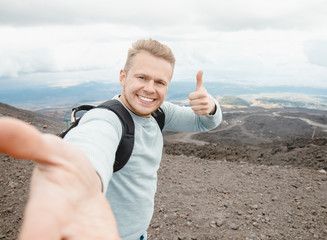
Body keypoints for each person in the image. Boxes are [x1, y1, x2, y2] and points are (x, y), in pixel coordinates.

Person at [0, 39, 222, 240]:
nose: (150, 89)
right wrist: (78, 174)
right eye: (142, 77)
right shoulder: (107, 118)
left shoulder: (160, 112)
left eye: (160, 82)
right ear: (123, 77)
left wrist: (210, 106)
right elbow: (93, 142)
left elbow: (205, 122)